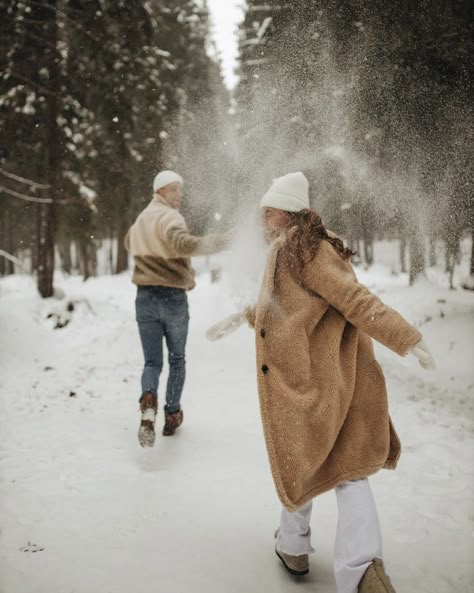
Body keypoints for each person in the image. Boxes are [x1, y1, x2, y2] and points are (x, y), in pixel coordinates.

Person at [244, 172, 435, 593]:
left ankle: (363, 570)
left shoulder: (310, 251)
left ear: (288, 212)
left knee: (344, 470)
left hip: (325, 379)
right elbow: (287, 308)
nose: (263, 220)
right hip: (309, 376)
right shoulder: (289, 248)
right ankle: (295, 546)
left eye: (269, 212)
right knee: (304, 458)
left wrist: (407, 337)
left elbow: (355, 299)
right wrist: (246, 315)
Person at [125, 170, 229, 447]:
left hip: (144, 298)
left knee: (151, 362)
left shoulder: (142, 219)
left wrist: (151, 246)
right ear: (159, 191)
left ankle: (149, 399)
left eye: (180, 190)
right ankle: (171, 414)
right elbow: (184, 243)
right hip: (172, 299)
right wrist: (223, 240)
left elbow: (128, 242)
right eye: (174, 190)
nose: (179, 196)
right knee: (177, 359)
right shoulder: (170, 217)